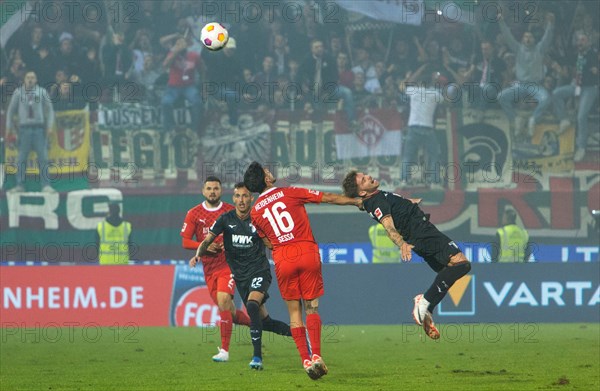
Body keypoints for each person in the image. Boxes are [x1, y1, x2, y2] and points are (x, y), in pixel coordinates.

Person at [243, 161, 362, 380]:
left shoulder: (256, 212)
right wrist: (355, 202)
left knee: (294, 313)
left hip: (283, 258)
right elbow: (328, 198)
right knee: (312, 309)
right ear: (266, 179)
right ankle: (316, 355)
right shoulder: (291, 193)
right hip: (306, 252)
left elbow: (267, 241)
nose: (270, 172)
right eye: (267, 171)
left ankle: (305, 361)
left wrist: (280, 243)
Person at [342, 171, 472, 340]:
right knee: (462, 264)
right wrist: (402, 244)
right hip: (423, 234)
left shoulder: (373, 198)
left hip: (421, 235)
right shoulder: (376, 201)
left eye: (365, 174)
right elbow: (388, 227)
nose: (368, 176)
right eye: (363, 179)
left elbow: (357, 202)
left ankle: (427, 310)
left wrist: (408, 203)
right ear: (362, 192)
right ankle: (424, 301)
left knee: (448, 272)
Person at [191, 183, 292, 370]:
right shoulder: (225, 219)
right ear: (234, 199)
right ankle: (299, 335)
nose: (241, 200)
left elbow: (272, 244)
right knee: (265, 323)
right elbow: (206, 241)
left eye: (245, 196)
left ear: (251, 198)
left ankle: (257, 358)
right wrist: (198, 254)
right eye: (238, 196)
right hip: (241, 277)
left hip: (259, 271)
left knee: (252, 305)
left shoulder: (259, 219)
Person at [180, 176, 251, 362]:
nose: (212, 191)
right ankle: (258, 325)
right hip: (209, 269)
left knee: (223, 299)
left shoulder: (230, 211)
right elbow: (186, 241)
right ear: (203, 191)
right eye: (209, 188)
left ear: (221, 191)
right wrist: (203, 247)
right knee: (229, 311)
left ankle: (225, 352)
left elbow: (245, 233)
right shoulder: (194, 213)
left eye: (216, 188)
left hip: (228, 264)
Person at [497, 12, 555, 136]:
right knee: (501, 97)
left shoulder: (540, 49)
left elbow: (548, 37)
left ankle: (533, 119)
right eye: (525, 37)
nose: (528, 39)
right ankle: (516, 120)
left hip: (535, 86)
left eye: (530, 37)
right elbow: (508, 37)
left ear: (534, 39)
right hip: (520, 85)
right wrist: (501, 22)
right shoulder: (517, 48)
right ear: (522, 39)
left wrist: (550, 23)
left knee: (546, 99)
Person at [6, 71, 56, 193]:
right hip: (24, 130)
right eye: (28, 77)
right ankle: (20, 185)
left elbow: (50, 110)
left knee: (43, 157)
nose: (30, 79)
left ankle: (45, 185)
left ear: (36, 79)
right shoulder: (18, 93)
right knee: (22, 158)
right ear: (24, 79)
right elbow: (10, 112)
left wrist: (49, 126)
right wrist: (9, 128)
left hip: (39, 129)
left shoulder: (42, 92)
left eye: (32, 77)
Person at [399, 64, 447, 189]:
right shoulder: (434, 93)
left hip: (413, 127)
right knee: (434, 155)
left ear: (419, 82)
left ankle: (404, 180)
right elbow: (446, 100)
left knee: (408, 155)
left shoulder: (413, 91)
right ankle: (434, 182)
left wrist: (417, 70)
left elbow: (403, 85)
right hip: (428, 128)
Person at [552, 33, 599, 162]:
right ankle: (564, 119)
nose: (580, 42)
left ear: (588, 42)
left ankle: (581, 147)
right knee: (556, 93)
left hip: (590, 88)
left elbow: (595, 72)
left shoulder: (593, 54)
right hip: (576, 86)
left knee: (581, 116)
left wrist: (591, 69)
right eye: (578, 40)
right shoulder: (576, 55)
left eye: (583, 40)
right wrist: (558, 67)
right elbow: (566, 64)